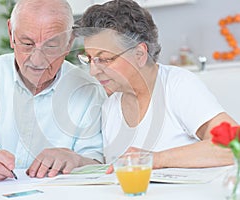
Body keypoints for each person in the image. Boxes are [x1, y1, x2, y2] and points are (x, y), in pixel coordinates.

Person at [0, 0, 106, 183]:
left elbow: (97, 163)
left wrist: (77, 160)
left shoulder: (88, 90)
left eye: (51, 46)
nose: (37, 60)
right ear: (11, 34)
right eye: (27, 44)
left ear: (69, 43)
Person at [73, 0, 236, 170]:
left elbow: (232, 145)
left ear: (140, 54)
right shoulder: (110, 106)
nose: (93, 71)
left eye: (105, 58)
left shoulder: (177, 85)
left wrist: (154, 159)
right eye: (90, 59)